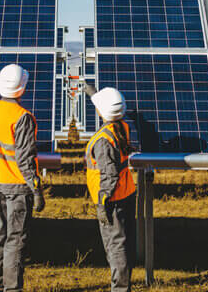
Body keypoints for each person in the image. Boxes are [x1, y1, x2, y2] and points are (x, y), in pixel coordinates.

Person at [0, 64, 45, 292]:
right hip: (17, 188)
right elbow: (25, 160)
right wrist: (36, 190)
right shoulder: (23, 117)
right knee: (15, 241)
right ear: (22, 88)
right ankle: (12, 289)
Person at [84, 85, 137, 292]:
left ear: (101, 111)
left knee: (116, 246)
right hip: (126, 193)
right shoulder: (121, 126)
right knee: (123, 242)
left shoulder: (103, 140)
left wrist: (102, 202)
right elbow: (109, 108)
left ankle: (120, 288)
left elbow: (109, 174)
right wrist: (93, 94)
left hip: (112, 200)